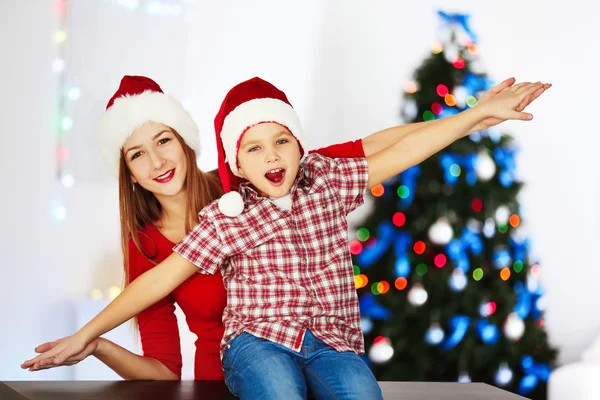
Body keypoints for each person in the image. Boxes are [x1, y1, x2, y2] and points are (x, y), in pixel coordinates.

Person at [23, 76, 549, 399]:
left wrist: (472, 117)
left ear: (187, 145)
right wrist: (90, 342)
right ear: (130, 173)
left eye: (164, 141)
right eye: (138, 154)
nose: (157, 161)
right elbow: (159, 314)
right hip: (242, 366)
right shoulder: (216, 220)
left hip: (327, 345)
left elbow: (379, 150)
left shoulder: (294, 176)